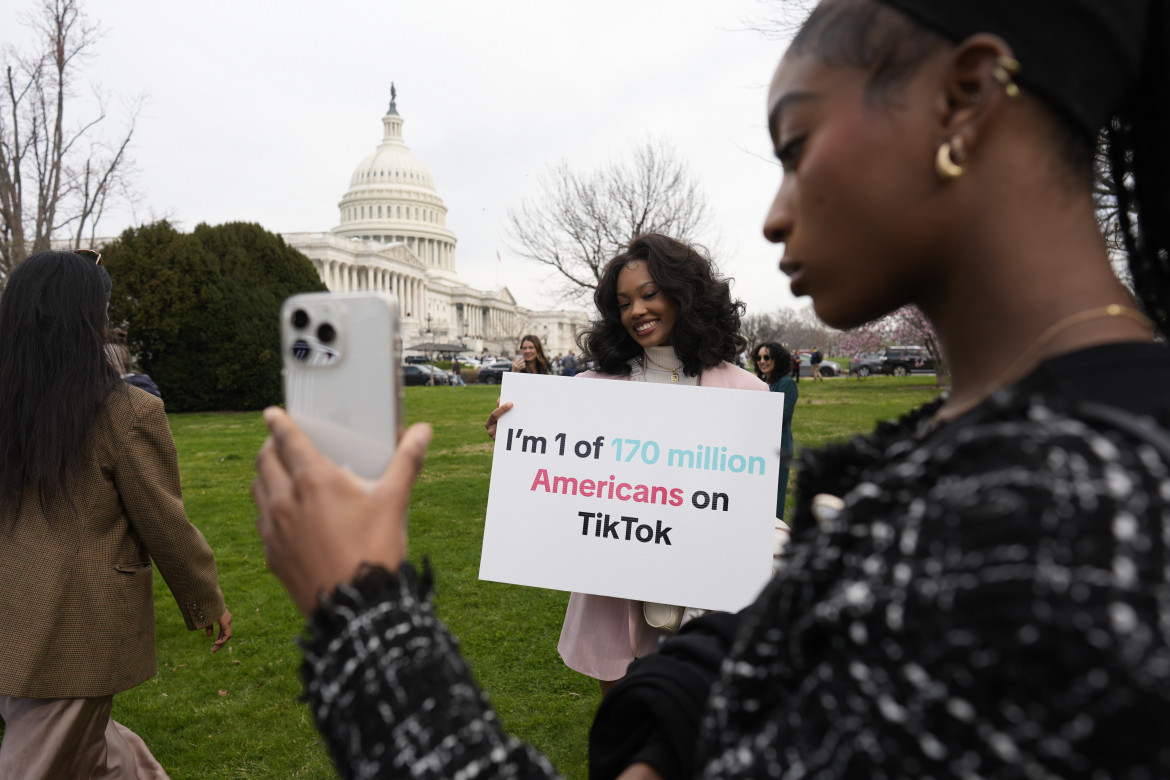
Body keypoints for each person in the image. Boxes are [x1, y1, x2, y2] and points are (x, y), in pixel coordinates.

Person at [253, 1, 1170, 777]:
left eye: (798, 146)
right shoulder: (998, 462)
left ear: (966, 100)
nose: (775, 213)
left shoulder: (1071, 522)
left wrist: (361, 610)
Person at [487, 234, 766, 694]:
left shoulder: (747, 393)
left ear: (685, 293)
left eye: (649, 294)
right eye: (624, 302)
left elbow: (746, 510)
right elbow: (558, 484)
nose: (636, 310)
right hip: (615, 597)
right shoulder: (590, 389)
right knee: (628, 737)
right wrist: (518, 440)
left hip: (706, 599)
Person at [0, 250, 232, 779]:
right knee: (52, 756)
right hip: (69, 624)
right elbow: (164, 521)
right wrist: (207, 599)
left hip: (46, 626)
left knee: (79, 741)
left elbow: (161, 523)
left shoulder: (102, 410)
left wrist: (201, 596)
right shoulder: (123, 412)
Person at [752, 341, 799, 520]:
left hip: (779, 446)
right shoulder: (762, 383)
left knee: (775, 495)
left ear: (777, 359)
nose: (762, 361)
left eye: (766, 357)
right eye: (758, 357)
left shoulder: (787, 384)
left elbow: (782, 417)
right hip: (760, 446)